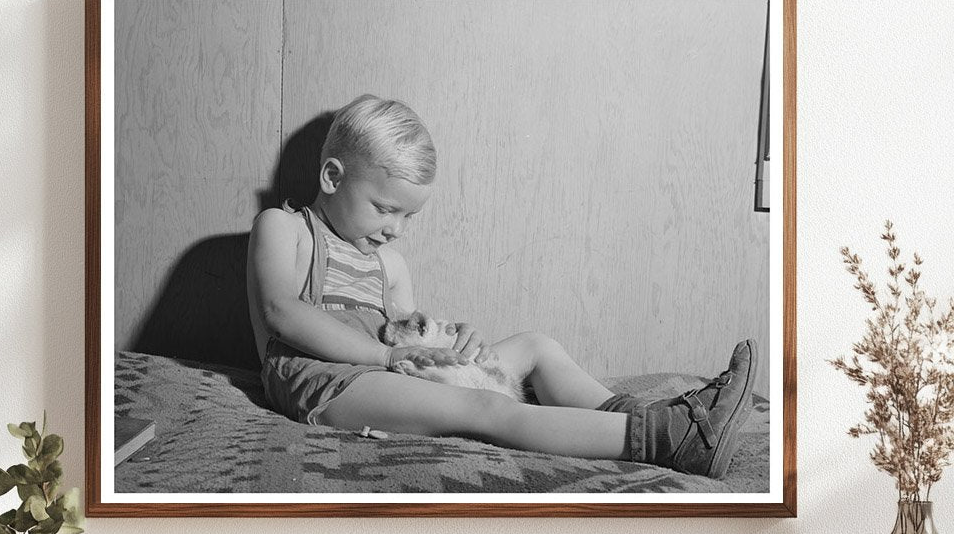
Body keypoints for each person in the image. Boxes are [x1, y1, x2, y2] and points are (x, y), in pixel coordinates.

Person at [247, 94, 756, 478]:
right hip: (330, 383)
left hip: (393, 372)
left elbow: (408, 338)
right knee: (485, 408)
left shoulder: (390, 265)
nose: (395, 229)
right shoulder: (285, 229)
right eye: (385, 208)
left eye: (408, 216)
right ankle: (670, 439)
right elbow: (281, 312)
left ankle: (648, 415)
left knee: (535, 345)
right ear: (333, 177)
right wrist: (384, 360)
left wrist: (453, 343)